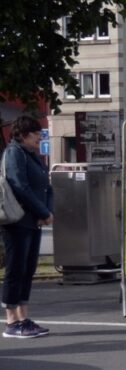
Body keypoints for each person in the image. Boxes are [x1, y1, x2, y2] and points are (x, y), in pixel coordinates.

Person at [2, 116, 54, 338]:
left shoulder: (32, 156)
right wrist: (43, 212)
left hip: (33, 220)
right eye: (36, 134)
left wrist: (47, 211)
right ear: (23, 135)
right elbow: (19, 186)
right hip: (18, 220)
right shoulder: (14, 153)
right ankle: (11, 321)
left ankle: (24, 316)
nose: (39, 138)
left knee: (28, 268)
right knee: (16, 269)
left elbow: (46, 186)